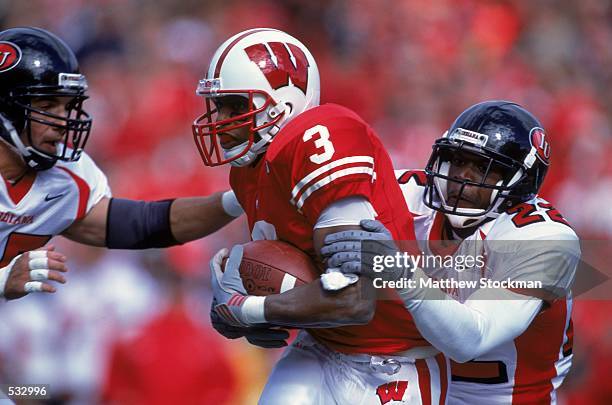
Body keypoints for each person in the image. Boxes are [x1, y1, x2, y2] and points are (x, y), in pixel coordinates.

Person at [197, 28, 449, 404]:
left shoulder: (318, 137)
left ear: (279, 106)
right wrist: (259, 317)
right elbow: (298, 272)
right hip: (320, 345)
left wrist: (247, 310)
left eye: (235, 105)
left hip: (394, 359)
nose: (221, 120)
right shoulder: (248, 171)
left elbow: (354, 299)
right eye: (218, 107)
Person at [322, 101, 580, 404]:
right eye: (457, 161)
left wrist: (400, 271)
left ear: (521, 180)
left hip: (498, 397)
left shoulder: (543, 239)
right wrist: (271, 307)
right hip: (401, 379)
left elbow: (472, 339)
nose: (464, 178)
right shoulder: (406, 192)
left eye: (485, 169)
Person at [0, 27, 244, 301]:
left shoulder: (68, 179)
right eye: (47, 105)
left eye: (67, 107)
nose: (62, 122)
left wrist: (237, 200)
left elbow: (147, 224)